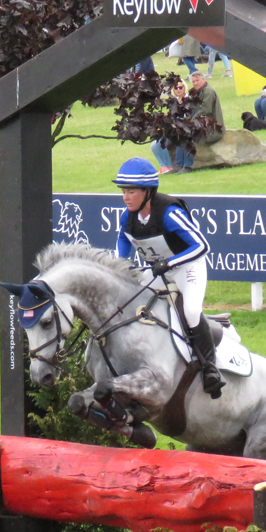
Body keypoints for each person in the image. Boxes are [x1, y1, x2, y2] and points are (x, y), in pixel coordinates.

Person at [112, 157, 225, 397]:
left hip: (187, 269)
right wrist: (120, 265)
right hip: (158, 271)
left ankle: (210, 369)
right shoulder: (127, 216)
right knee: (130, 300)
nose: (125, 197)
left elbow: (202, 245)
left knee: (191, 312)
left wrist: (171, 262)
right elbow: (123, 239)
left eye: (131, 192)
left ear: (148, 192)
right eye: (124, 191)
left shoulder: (169, 213)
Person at [153, 72, 223, 175]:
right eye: (193, 81)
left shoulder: (208, 92)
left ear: (203, 80)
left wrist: (188, 124)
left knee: (186, 136)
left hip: (211, 129)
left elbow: (204, 111)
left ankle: (187, 166)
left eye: (197, 80)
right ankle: (178, 165)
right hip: (202, 125)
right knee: (180, 135)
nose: (195, 83)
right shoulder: (199, 92)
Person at [150, 80, 188, 175]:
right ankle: (164, 166)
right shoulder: (173, 102)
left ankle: (169, 167)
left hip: (183, 131)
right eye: (176, 88)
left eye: (180, 87)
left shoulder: (189, 101)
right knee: (154, 144)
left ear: (185, 88)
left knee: (161, 143)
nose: (178, 90)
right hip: (172, 130)